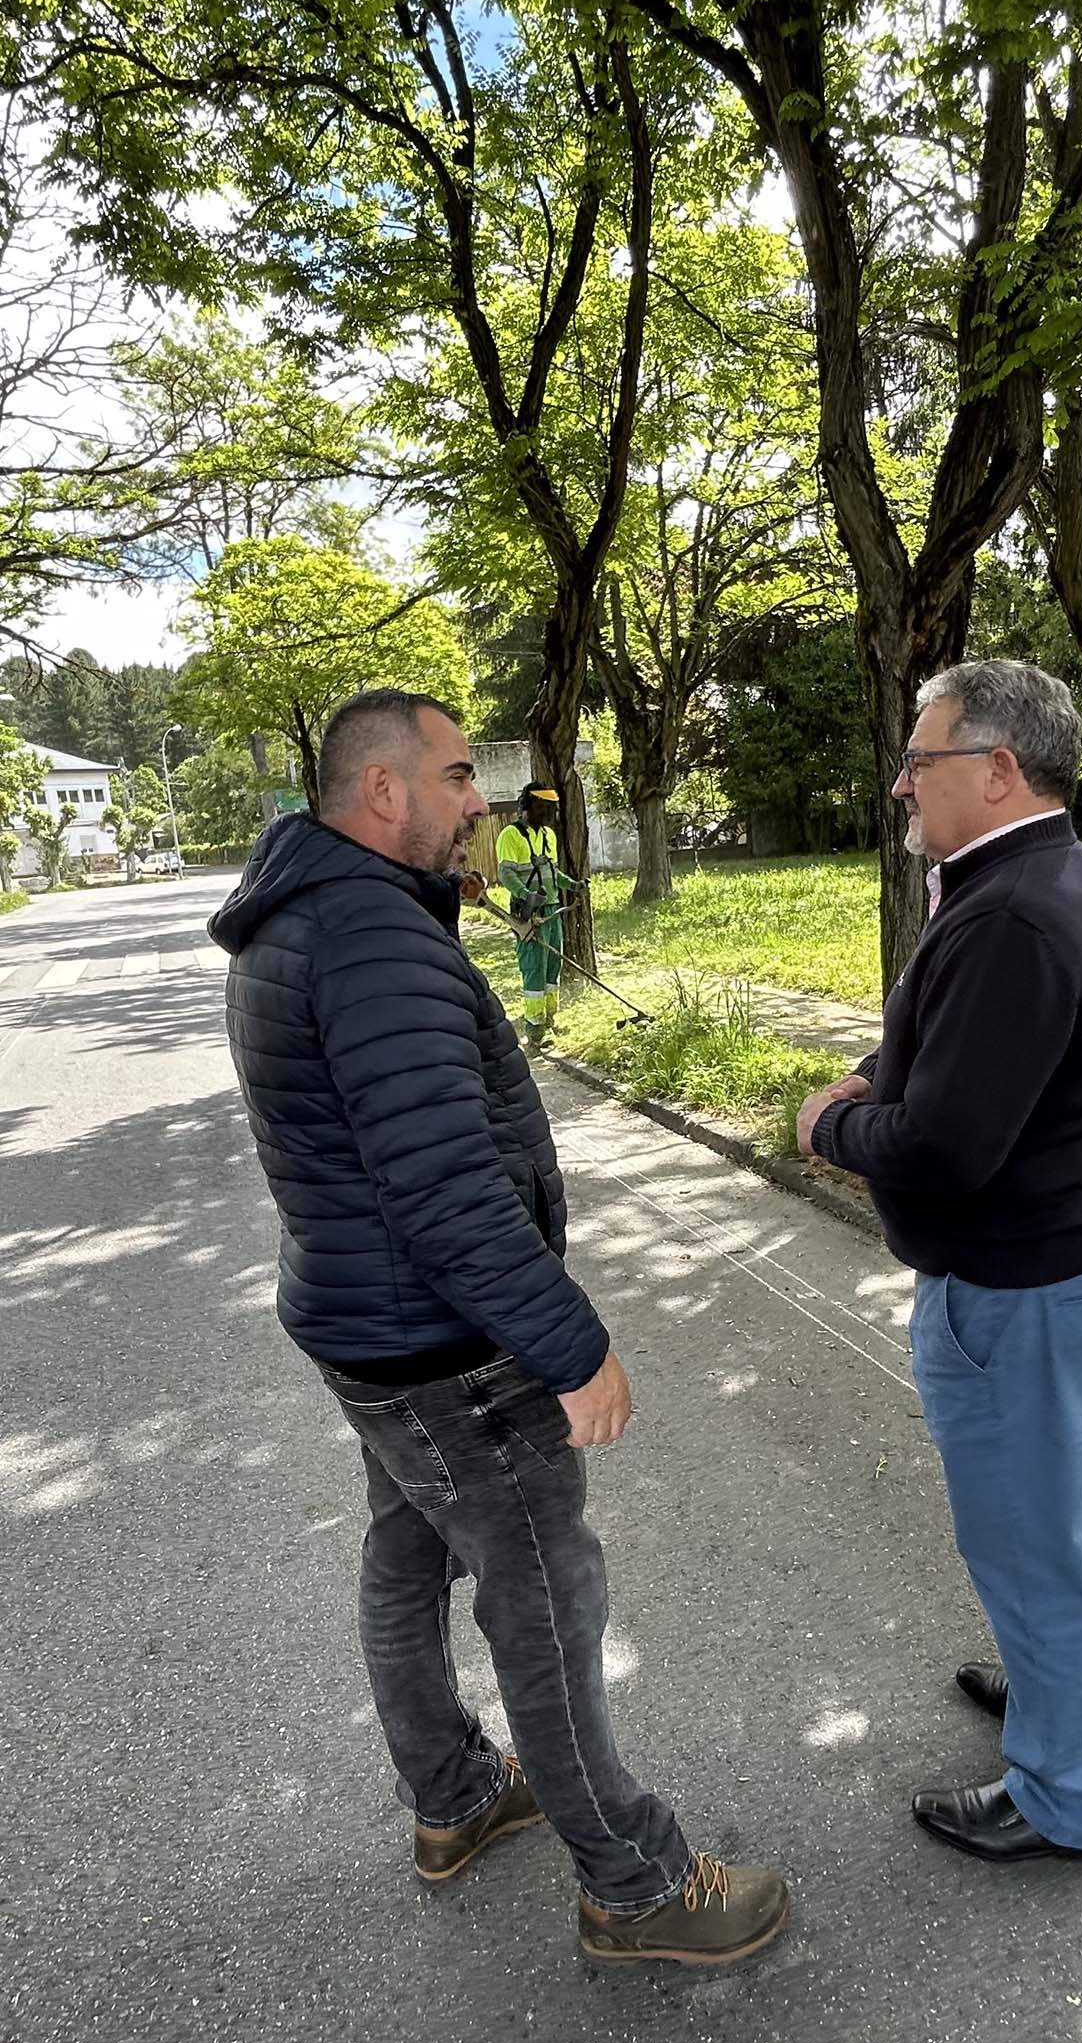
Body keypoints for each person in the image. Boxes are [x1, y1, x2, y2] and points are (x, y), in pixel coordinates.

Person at [209, 688, 788, 1966]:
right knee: (545, 1591)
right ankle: (635, 1884)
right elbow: (442, 1187)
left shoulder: (305, 916)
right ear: (380, 791)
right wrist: (571, 1344)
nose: (481, 800)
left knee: (407, 1558)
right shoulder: (366, 936)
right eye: (458, 774)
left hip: (371, 1335)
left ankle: (457, 1798)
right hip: (449, 1348)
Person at [796, 659, 1082, 1868]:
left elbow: (946, 1147)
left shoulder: (1010, 908)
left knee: (1027, 1539)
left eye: (922, 757)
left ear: (999, 769)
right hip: (1074, 1253)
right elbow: (959, 1047)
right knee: (1062, 1511)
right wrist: (878, 1070)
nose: (901, 777)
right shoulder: (1036, 872)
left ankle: (1061, 1796)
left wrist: (827, 1125)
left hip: (1022, 1286)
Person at [496, 782, 569, 1048]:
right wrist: (527, 894)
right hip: (528, 913)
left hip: (551, 909)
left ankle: (550, 1020)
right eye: (540, 808)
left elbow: (552, 871)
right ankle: (534, 1031)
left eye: (548, 809)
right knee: (534, 969)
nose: (545, 814)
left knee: (552, 965)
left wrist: (572, 885)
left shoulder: (549, 834)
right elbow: (506, 873)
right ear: (527, 806)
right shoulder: (510, 835)